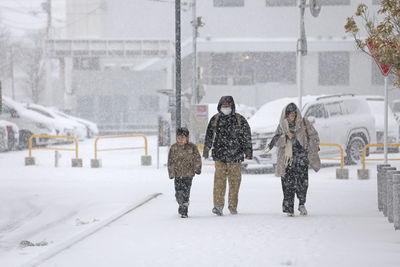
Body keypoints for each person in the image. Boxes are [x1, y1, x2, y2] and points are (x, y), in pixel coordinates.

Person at [264, 102, 320, 217]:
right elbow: (275, 141)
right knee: (287, 185)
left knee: (302, 184)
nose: (292, 117)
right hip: (286, 160)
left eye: (294, 114)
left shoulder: (304, 123)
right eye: (289, 115)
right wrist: (285, 137)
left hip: (301, 158)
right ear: (285, 115)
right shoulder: (282, 125)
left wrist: (307, 147)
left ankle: (301, 204)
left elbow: (314, 136)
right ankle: (289, 208)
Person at [203, 96, 252, 216]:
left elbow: (246, 136)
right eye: (223, 106)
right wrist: (206, 148)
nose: (225, 109)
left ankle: (233, 206)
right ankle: (218, 206)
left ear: (232, 107)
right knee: (219, 182)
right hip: (220, 156)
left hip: (235, 156)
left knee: (234, 183)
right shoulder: (215, 119)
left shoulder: (240, 120)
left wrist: (248, 151)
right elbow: (209, 135)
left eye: (227, 106)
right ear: (220, 107)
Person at [168, 127, 202, 218]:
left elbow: (197, 159)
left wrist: (197, 168)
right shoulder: (174, 148)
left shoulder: (192, 147)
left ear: (187, 138)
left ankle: (184, 208)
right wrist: (171, 173)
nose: (180, 140)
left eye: (182, 138)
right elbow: (170, 162)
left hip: (188, 174)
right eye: (178, 138)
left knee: (186, 192)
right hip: (178, 174)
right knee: (178, 192)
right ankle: (180, 203)